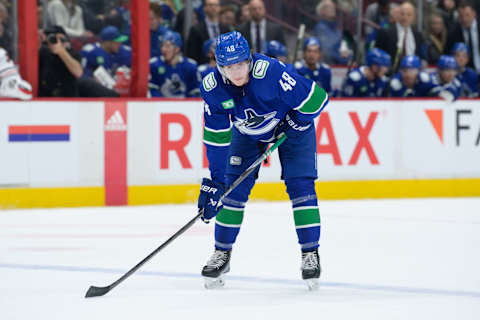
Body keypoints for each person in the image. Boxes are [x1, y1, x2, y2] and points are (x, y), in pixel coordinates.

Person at [197, 31, 328, 290]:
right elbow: (216, 138)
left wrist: (296, 120)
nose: (236, 72)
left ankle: (310, 253)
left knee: (301, 187)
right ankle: (222, 253)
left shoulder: (272, 73)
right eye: (229, 66)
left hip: (292, 129)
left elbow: (318, 99)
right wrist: (216, 180)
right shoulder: (212, 88)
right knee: (231, 191)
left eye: (241, 64)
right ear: (219, 66)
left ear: (249, 59)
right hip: (246, 133)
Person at [375, 1, 426, 72]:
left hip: (412, 75)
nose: (405, 17)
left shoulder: (417, 34)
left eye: (409, 15)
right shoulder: (386, 32)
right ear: (397, 15)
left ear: (413, 17)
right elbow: (378, 53)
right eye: (402, 14)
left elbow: (420, 56)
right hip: (391, 74)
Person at [149, 31, 201, 97]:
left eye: (167, 46)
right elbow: (152, 91)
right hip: (161, 106)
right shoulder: (154, 65)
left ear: (177, 49)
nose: (163, 49)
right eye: (162, 45)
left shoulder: (190, 66)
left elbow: (196, 92)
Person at [39, 25, 83, 97]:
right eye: (52, 39)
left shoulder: (72, 53)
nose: (55, 42)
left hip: (67, 98)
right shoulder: (44, 53)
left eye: (61, 39)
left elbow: (78, 72)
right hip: (45, 98)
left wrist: (61, 51)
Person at [186, 0, 229, 64]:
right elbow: (192, 54)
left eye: (216, 5)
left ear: (220, 8)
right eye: (210, 5)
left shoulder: (226, 29)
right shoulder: (195, 30)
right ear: (204, 8)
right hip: (203, 67)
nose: (213, 8)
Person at [445, 1, 480, 73]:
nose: (464, 19)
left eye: (467, 15)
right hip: (463, 73)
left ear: (474, 14)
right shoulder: (453, 33)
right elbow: (447, 54)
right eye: (461, 16)